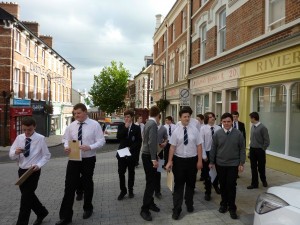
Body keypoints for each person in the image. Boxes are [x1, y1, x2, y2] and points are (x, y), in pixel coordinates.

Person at [56, 103, 105, 225]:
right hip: (73, 158)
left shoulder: (95, 125)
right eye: (74, 113)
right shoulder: (71, 126)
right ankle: (65, 216)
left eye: (78, 113)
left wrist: (90, 147)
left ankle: (88, 208)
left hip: (88, 158)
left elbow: (101, 141)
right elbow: (65, 140)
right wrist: (66, 147)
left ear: (85, 112)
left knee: (87, 182)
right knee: (69, 185)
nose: (76, 115)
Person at [9, 116, 51, 225]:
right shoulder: (19, 138)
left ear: (34, 127)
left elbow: (46, 155)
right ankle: (42, 212)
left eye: (29, 130)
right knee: (28, 196)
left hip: (33, 171)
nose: (27, 132)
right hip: (22, 171)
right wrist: (16, 152)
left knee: (25, 199)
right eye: (24, 130)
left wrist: (38, 165)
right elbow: (11, 154)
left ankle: (22, 223)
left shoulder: (40, 138)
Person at [165, 107, 203, 220]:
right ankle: (177, 209)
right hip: (179, 161)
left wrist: (200, 161)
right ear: (180, 118)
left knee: (191, 184)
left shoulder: (195, 130)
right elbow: (172, 147)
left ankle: (189, 203)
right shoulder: (176, 131)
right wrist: (169, 161)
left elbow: (199, 146)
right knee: (179, 186)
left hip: (192, 161)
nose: (187, 118)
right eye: (184, 116)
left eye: (188, 116)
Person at [209, 112, 246, 219]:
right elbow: (213, 148)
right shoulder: (217, 134)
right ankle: (223, 204)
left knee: (231, 185)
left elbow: (242, 149)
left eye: (228, 121)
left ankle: (232, 208)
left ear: (232, 122)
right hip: (220, 164)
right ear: (221, 122)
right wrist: (211, 162)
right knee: (223, 185)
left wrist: (241, 163)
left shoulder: (238, 134)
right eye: (224, 121)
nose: (226, 123)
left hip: (233, 164)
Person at [140, 106, 161, 222]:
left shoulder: (148, 122)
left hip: (147, 154)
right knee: (151, 182)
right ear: (158, 115)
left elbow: (146, 139)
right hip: (149, 156)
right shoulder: (153, 124)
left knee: (151, 181)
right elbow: (152, 142)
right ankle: (144, 209)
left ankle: (151, 203)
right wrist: (154, 159)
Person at [116, 110, 142, 200]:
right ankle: (123, 191)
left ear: (132, 118)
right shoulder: (121, 126)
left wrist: (131, 149)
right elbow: (119, 137)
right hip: (122, 153)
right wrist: (125, 128)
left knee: (131, 173)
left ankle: (131, 190)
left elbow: (139, 141)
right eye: (125, 117)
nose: (126, 119)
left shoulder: (136, 128)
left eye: (128, 117)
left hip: (131, 154)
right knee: (121, 173)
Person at [200, 112, 221, 201]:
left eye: (213, 117)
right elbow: (202, 142)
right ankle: (207, 192)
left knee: (219, 171)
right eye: (210, 117)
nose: (212, 118)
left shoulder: (219, 128)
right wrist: (204, 155)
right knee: (207, 173)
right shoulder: (203, 128)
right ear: (206, 119)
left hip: (218, 153)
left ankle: (215, 184)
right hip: (207, 153)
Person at [247, 112, 270, 189]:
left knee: (261, 167)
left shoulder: (263, 127)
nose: (250, 119)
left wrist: (262, 149)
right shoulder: (252, 127)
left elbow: (267, 141)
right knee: (253, 168)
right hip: (253, 150)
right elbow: (251, 139)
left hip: (260, 150)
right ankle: (254, 184)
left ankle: (264, 180)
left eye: (250, 118)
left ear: (254, 118)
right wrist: (250, 151)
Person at [155, 114, 168, 199]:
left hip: (160, 152)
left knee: (158, 172)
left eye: (155, 118)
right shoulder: (150, 126)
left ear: (159, 118)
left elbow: (166, 138)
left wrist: (165, 143)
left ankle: (158, 191)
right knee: (152, 172)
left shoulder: (163, 128)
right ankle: (152, 189)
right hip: (151, 153)